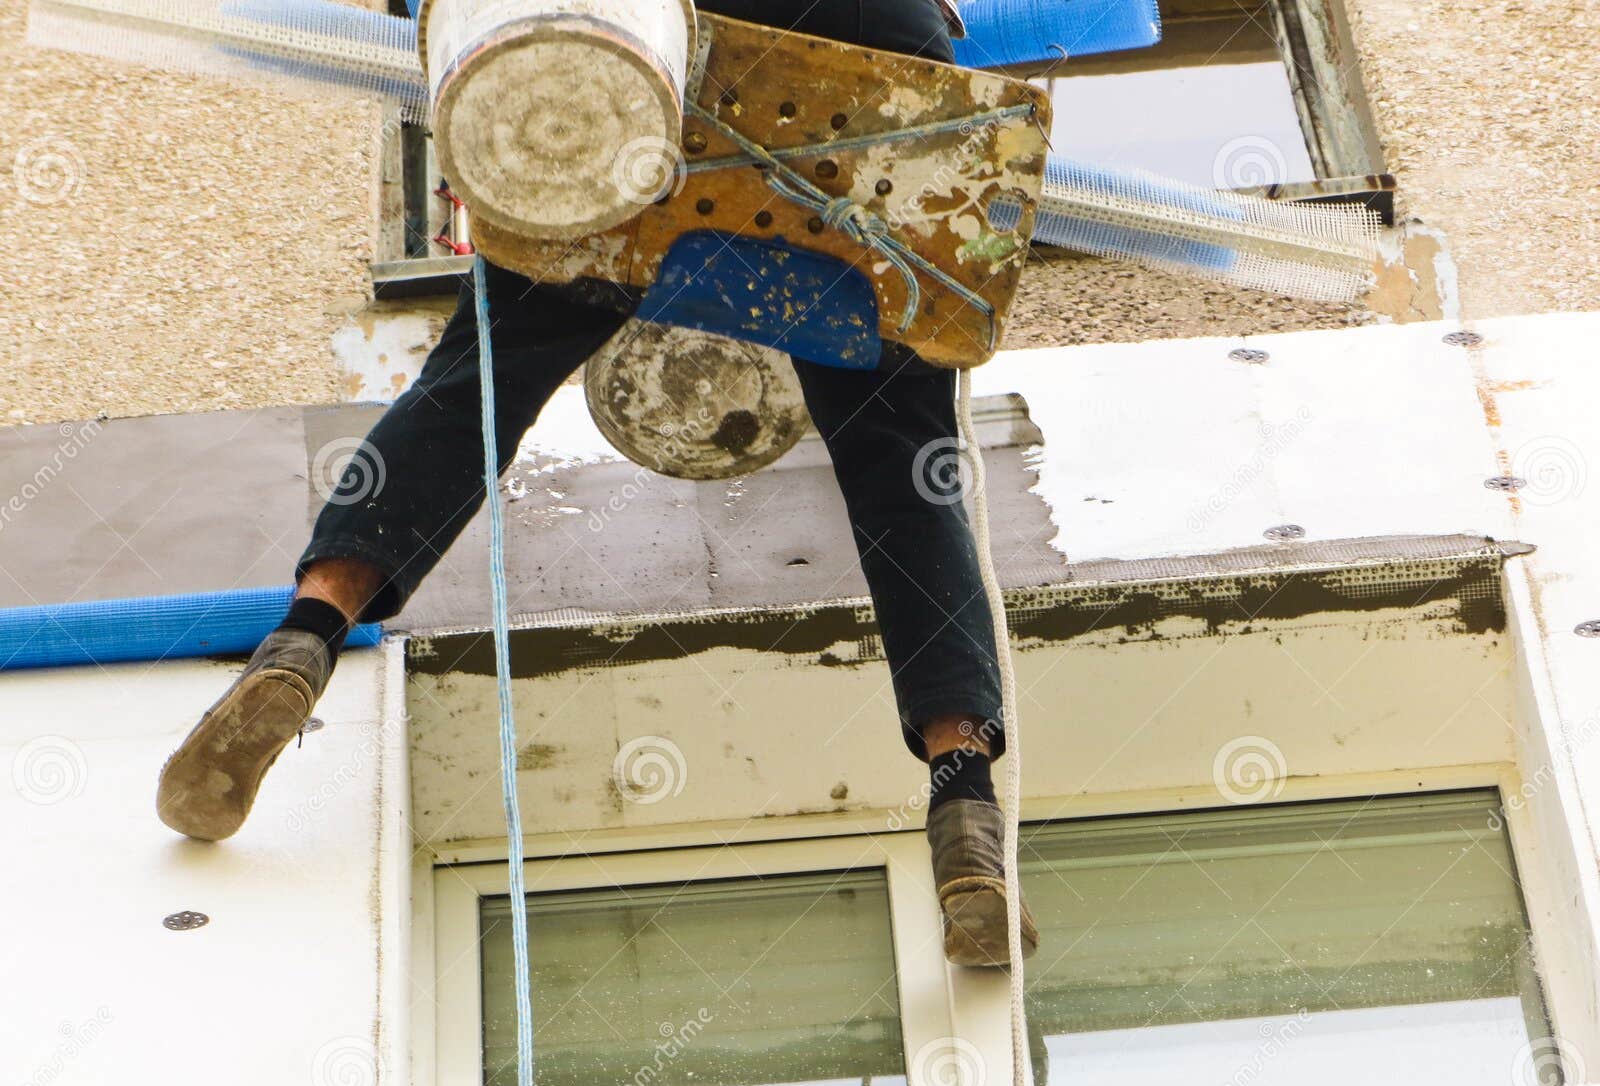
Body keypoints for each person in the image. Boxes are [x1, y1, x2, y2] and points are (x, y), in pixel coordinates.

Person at [156, 0, 1038, 967]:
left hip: (659, 54)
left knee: (479, 379)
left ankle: (303, 638)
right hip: (879, 66)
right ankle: (964, 802)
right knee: (904, 467)